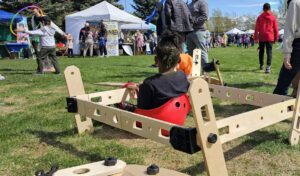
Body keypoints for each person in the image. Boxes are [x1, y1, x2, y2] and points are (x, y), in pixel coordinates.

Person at [273, 0, 300, 96]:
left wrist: (287, 55)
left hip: (297, 45)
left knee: (282, 86)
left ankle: (277, 107)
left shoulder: (295, 3)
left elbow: (289, 30)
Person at [254, 3, 279, 73]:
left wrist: (255, 38)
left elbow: (256, 29)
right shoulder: (273, 17)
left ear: (263, 8)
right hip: (270, 37)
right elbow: (276, 29)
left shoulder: (259, 17)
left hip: (262, 36)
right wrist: (276, 38)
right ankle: (268, 67)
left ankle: (261, 65)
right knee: (269, 52)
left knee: (261, 52)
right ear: (270, 8)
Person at [186, 0, 209, 69]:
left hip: (200, 31)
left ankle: (205, 72)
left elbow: (205, 16)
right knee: (190, 53)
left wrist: (193, 21)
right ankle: (193, 72)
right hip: (190, 32)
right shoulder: (190, 4)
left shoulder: (202, 2)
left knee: (202, 52)